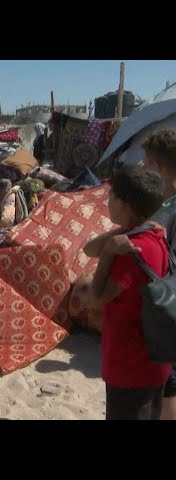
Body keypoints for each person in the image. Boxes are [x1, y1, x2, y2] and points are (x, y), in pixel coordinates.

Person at [84, 129, 176, 420]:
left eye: (111, 197)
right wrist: (114, 238)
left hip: (132, 365)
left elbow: (96, 300)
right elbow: (89, 248)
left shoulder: (131, 251)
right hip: (150, 361)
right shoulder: (152, 233)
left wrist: (111, 251)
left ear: (124, 205)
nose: (107, 201)